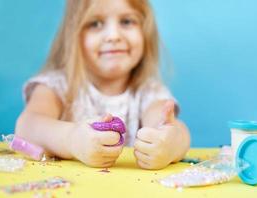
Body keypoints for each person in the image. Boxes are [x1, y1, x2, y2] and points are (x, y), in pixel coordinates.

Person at [15, 0, 190, 170]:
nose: (113, 36)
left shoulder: (148, 91)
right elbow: (26, 126)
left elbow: (175, 130)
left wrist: (170, 142)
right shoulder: (56, 86)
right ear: (73, 35)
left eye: (127, 21)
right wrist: (71, 140)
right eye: (95, 24)